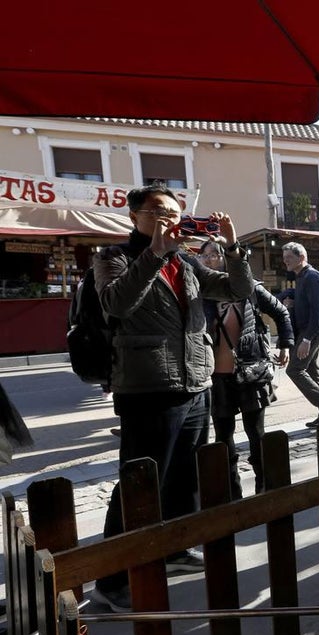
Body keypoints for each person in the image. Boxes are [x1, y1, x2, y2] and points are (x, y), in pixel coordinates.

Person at [90, 184, 253, 612]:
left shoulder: (188, 262)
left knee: (183, 478)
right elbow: (116, 304)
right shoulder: (114, 258)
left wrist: (234, 247)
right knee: (140, 484)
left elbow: (239, 290)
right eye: (158, 210)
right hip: (148, 387)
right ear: (135, 216)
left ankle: (175, 549)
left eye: (175, 212)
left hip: (194, 382)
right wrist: (155, 254)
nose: (169, 218)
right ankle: (110, 578)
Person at [200, 237, 294, 499]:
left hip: (251, 371)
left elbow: (281, 313)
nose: (209, 260)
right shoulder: (201, 292)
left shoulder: (251, 288)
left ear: (229, 258)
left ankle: (264, 489)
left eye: (215, 255)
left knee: (257, 433)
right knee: (223, 436)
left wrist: (285, 345)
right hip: (216, 375)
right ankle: (232, 493)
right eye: (204, 256)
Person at [282, 242, 319, 428]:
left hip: (312, 331)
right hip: (308, 330)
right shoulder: (302, 277)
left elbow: (318, 313)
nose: (285, 262)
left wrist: (307, 339)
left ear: (301, 258)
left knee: (295, 370)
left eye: (289, 258)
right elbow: (305, 301)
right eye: (284, 259)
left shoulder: (312, 277)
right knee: (313, 371)